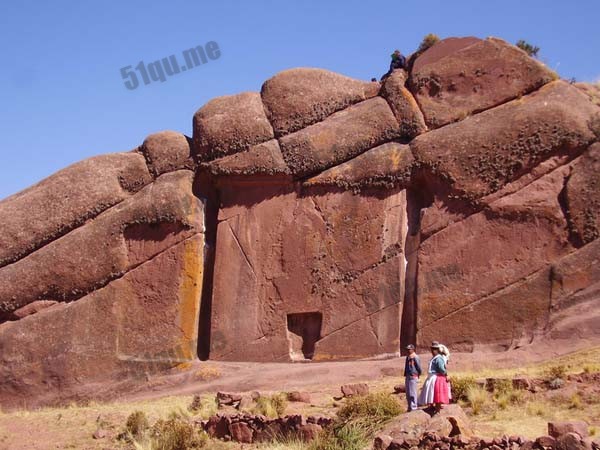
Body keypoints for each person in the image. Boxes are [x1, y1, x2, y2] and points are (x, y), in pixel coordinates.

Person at [418, 341, 450, 413]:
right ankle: (431, 406)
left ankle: (437, 409)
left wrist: (446, 374)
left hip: (435, 377)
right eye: (432, 349)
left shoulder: (438, 358)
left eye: (434, 349)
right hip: (431, 377)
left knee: (436, 393)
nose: (433, 351)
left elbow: (441, 369)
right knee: (430, 392)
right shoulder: (434, 358)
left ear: (437, 350)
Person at [403, 344, 422, 412]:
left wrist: (418, 374)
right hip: (408, 376)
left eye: (409, 349)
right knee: (408, 392)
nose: (408, 351)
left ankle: (414, 407)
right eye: (407, 349)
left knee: (412, 392)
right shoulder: (408, 357)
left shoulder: (415, 357)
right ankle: (409, 407)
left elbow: (419, 367)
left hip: (413, 376)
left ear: (413, 349)